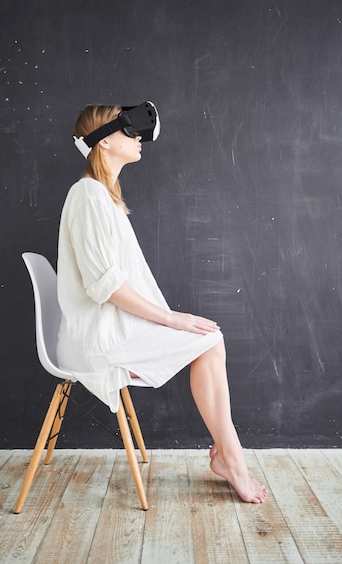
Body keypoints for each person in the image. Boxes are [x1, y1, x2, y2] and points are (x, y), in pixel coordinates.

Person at [56, 103, 268, 504]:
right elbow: (108, 287)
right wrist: (172, 319)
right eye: (127, 130)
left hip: (109, 327)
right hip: (99, 339)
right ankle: (232, 460)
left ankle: (228, 456)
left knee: (209, 338)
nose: (138, 137)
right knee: (207, 339)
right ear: (102, 145)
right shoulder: (87, 195)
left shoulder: (103, 196)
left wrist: (174, 322)